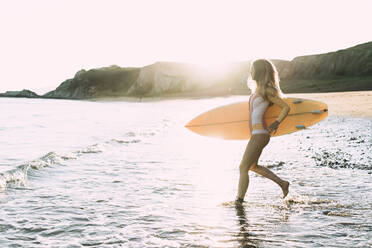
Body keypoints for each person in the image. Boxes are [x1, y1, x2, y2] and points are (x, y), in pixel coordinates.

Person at [236, 59, 290, 204]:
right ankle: (282, 184)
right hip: (257, 134)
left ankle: (239, 201)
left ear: (259, 72)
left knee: (243, 167)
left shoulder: (267, 90)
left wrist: (277, 122)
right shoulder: (258, 90)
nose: (251, 72)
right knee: (252, 166)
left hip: (260, 134)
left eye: (253, 69)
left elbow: (286, 107)